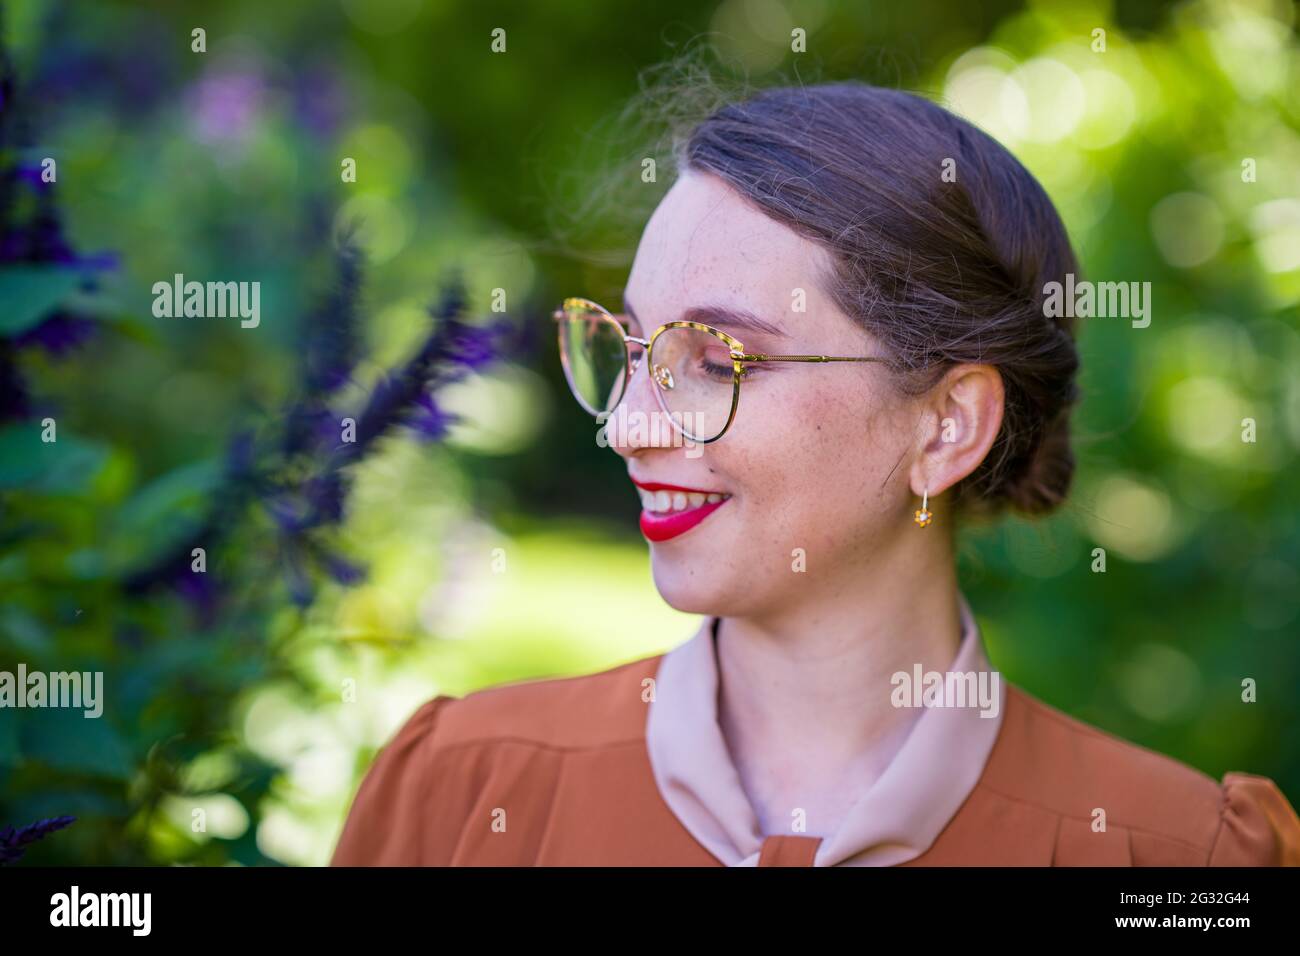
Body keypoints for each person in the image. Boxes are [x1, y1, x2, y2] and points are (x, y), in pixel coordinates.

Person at [331, 80, 1300, 867]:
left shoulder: (1178, 859)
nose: (626, 425)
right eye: (628, 347)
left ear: (947, 425)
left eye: (715, 358)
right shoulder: (461, 791)